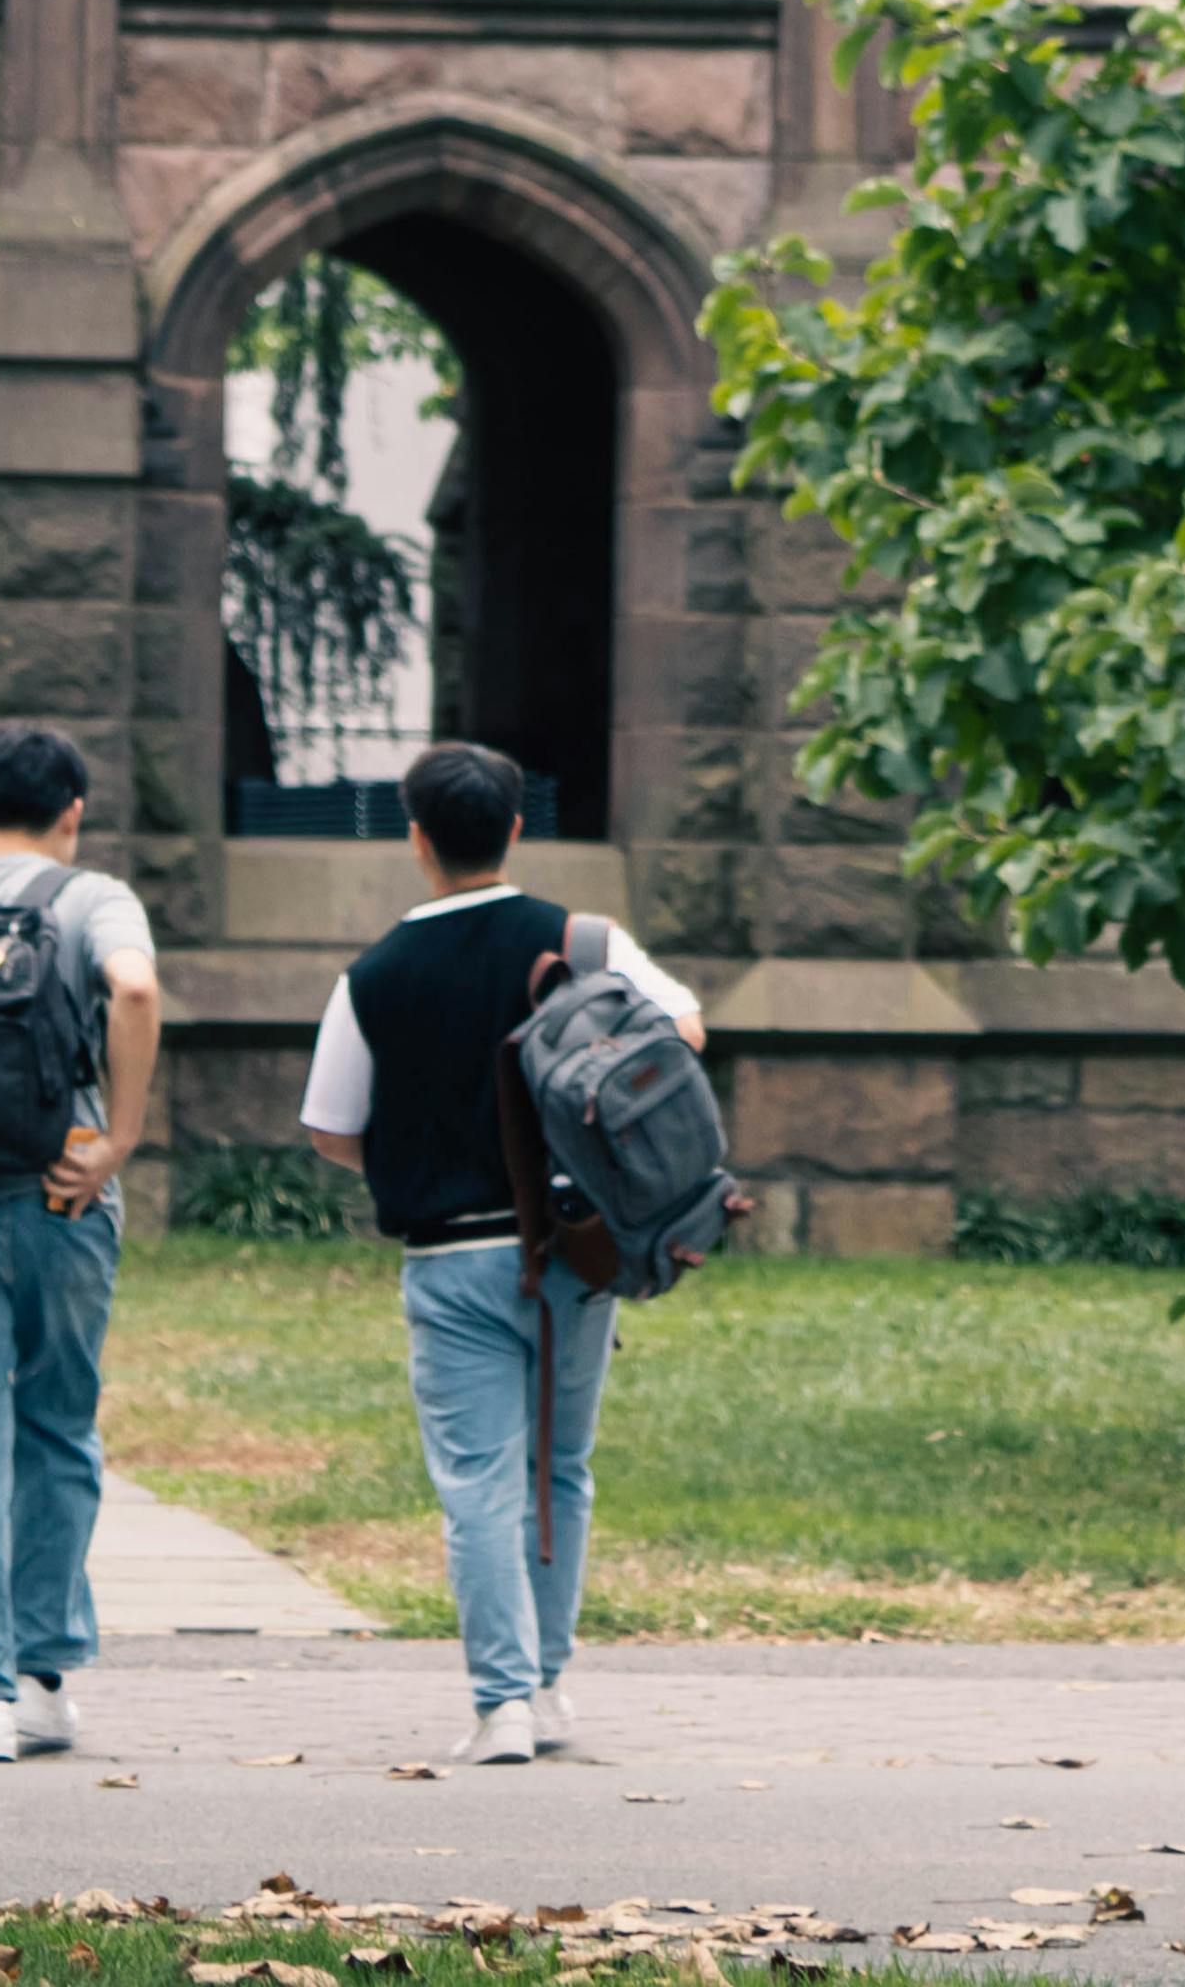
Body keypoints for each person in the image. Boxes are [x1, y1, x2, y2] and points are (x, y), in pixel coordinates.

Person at [298, 740, 705, 1761]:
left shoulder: (373, 975)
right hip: (577, 1247)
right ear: (518, 827)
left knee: (478, 1477)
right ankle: (552, 1681)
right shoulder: (586, 939)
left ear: (417, 837)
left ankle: (503, 1703)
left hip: (447, 1254)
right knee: (559, 1465)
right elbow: (685, 1031)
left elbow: (332, 1128)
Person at [0, 725, 157, 1768]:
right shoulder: (93, 898)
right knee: (59, 1425)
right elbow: (137, 989)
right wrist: (116, 1137)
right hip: (68, 1196)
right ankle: (40, 1677)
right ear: (72, 809)